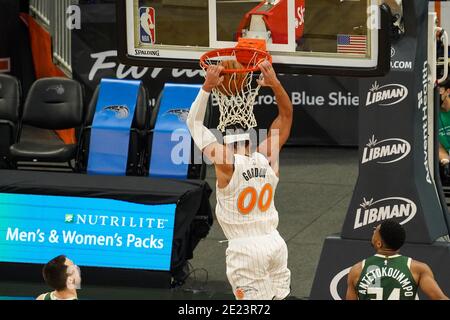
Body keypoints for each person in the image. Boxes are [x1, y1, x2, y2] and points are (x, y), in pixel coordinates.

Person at [186, 60, 293, 300]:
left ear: (226, 142)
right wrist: (275, 84)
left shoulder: (227, 163)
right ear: (251, 140)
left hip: (246, 249)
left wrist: (207, 87)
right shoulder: (267, 156)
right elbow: (286, 115)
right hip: (275, 243)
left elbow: (193, 123)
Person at [346, 220, 448, 300]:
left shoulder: (357, 270)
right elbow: (440, 298)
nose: (373, 233)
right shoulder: (417, 269)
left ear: (379, 244)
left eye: (374, 232)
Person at [438, 76, 450, 170]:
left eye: (440, 91)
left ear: (448, 92)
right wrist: (445, 161)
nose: (437, 94)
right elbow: (438, 146)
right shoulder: (432, 115)